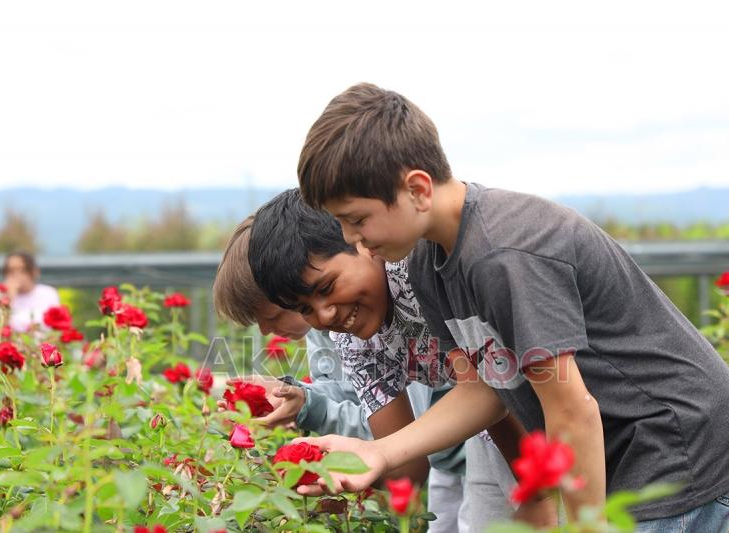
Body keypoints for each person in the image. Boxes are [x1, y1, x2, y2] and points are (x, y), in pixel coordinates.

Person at [292, 82, 729, 531]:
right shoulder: (427, 263)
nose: (350, 238)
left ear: (418, 189)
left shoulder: (502, 254)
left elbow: (570, 408)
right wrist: (378, 452)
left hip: (675, 448)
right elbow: (483, 391)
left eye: (357, 219)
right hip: (625, 452)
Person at [247, 189, 554, 531]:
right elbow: (407, 469)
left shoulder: (416, 271)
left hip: (555, 407)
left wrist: (537, 496)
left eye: (327, 287)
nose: (326, 314)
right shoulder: (354, 340)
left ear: (361, 241)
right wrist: (332, 473)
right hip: (493, 431)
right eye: (305, 308)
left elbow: (492, 390)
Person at [214, 215, 486, 531]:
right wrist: (299, 399)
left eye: (273, 315)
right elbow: (362, 403)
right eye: (306, 309)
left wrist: (311, 407)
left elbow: (408, 426)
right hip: (449, 457)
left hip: (471, 441)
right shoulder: (337, 330)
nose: (264, 330)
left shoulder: (385, 305)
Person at [2, 251, 60, 332]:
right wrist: (9, 298)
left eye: (22, 270)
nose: (16, 274)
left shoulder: (48, 293)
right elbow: (0, 328)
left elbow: (55, 325)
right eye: (10, 270)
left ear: (34, 271)